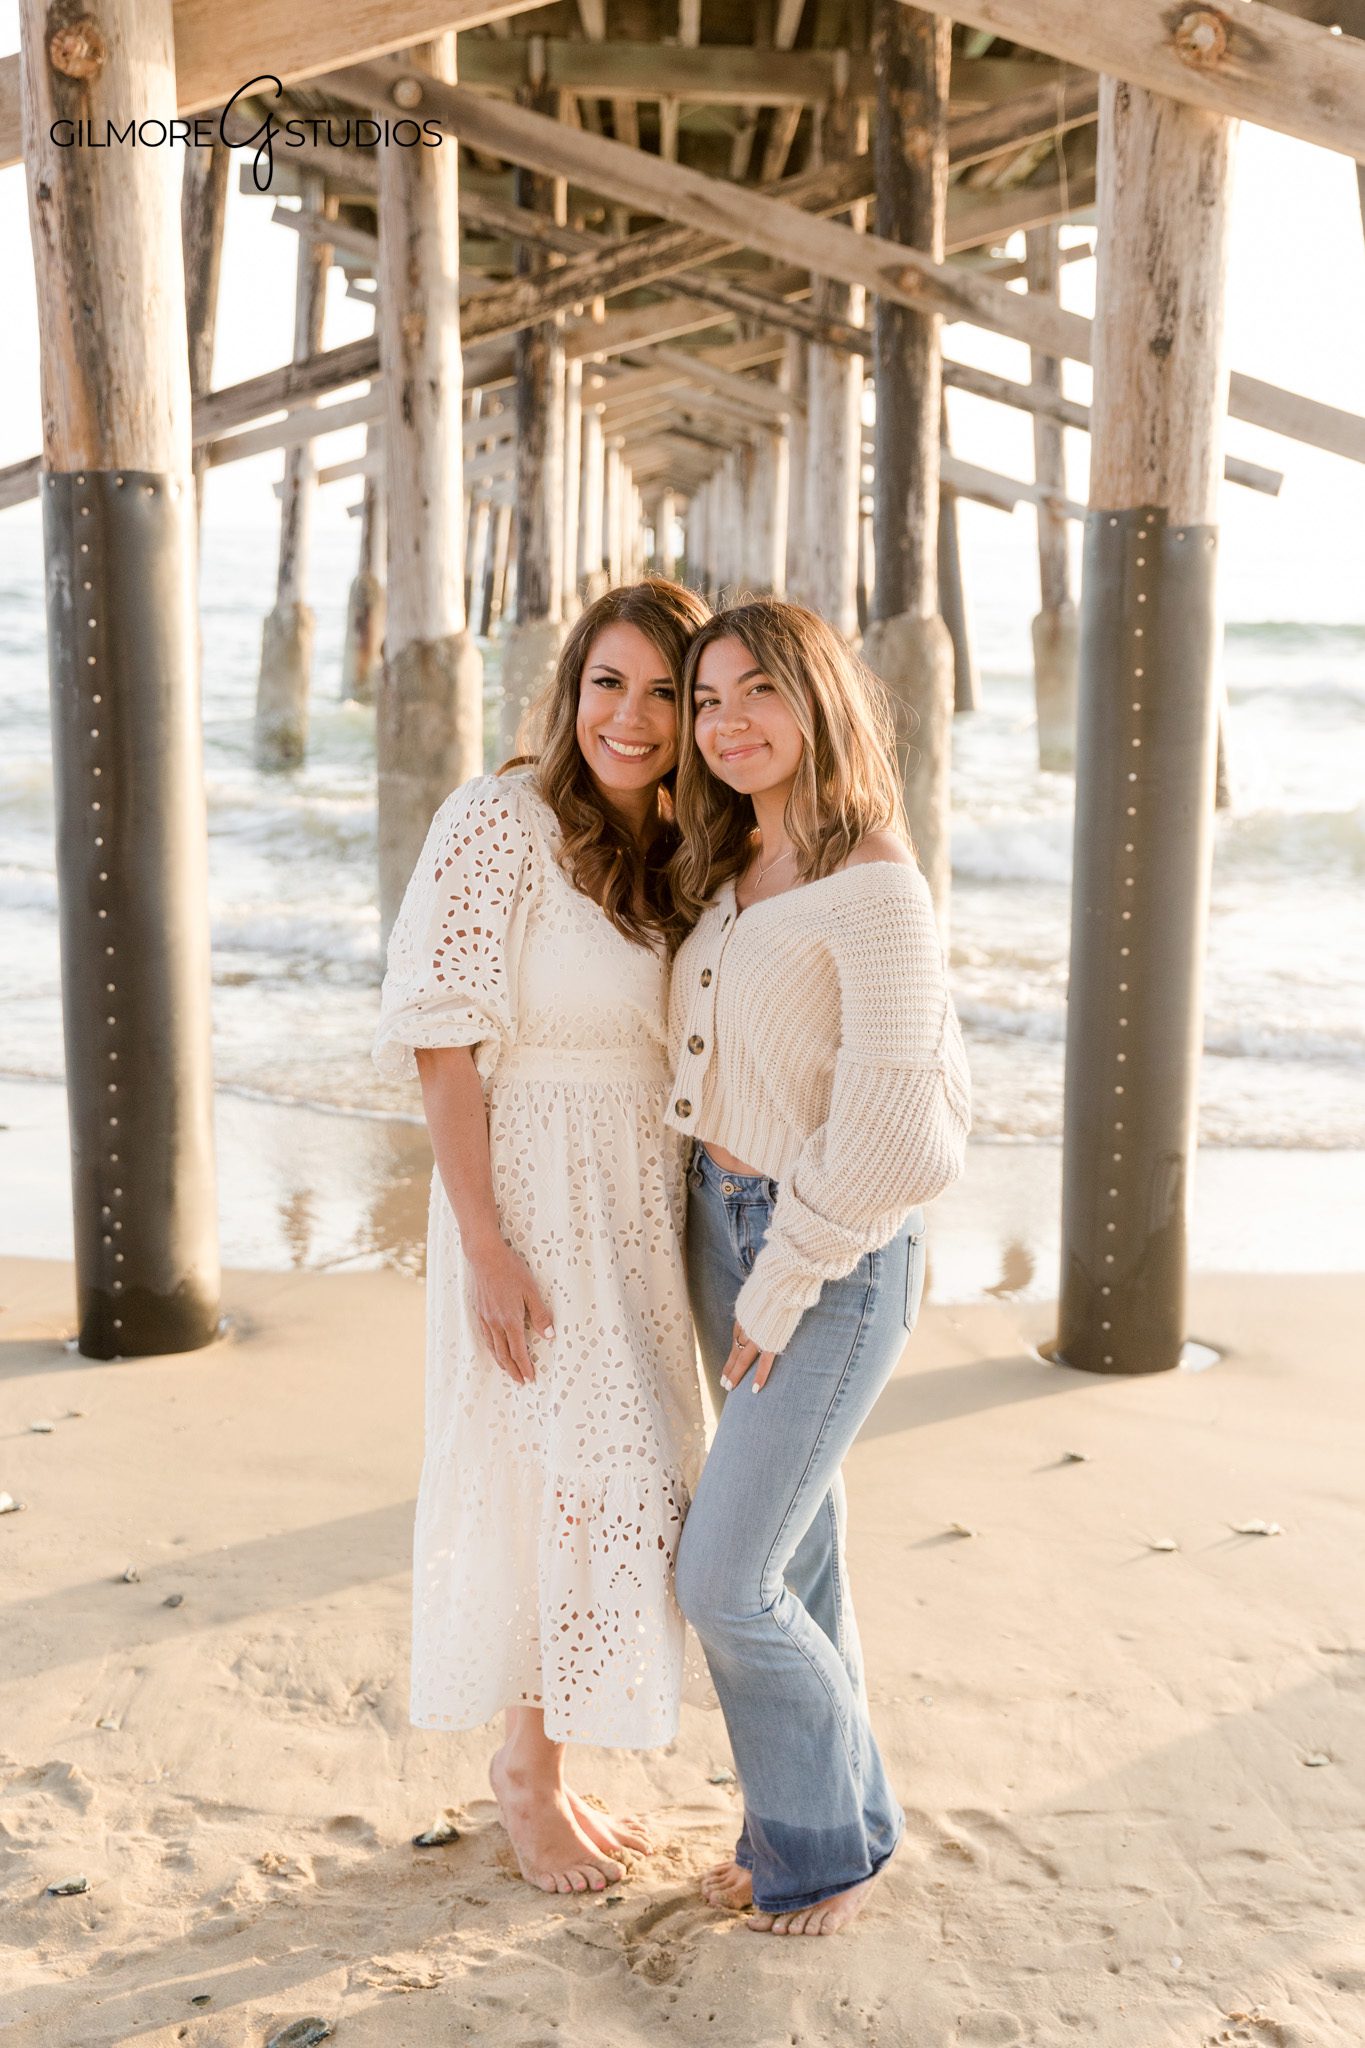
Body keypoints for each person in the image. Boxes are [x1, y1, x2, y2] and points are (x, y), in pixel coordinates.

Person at [373, 579, 711, 1896]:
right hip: (522, 1199)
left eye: (665, 693)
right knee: (561, 1473)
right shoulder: (495, 820)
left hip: (634, 1203)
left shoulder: (677, 850)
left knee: (619, 1482)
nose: (630, 717)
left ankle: (550, 1757)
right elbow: (440, 1043)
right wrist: (485, 1246)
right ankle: (527, 1773)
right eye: (607, 683)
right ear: (569, 691)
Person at [665, 597, 972, 1935]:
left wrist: (785, 1274)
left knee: (724, 1581)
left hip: (827, 1257)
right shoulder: (728, 865)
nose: (728, 722)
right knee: (798, 1556)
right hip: (715, 1226)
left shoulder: (875, 886)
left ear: (820, 700)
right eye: (706, 699)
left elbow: (901, 1128)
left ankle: (821, 1846)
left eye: (757, 693)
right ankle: (832, 1822)